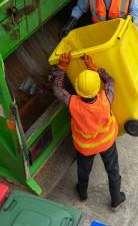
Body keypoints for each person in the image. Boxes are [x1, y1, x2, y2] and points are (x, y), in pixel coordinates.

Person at [52, 51, 126, 211]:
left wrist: (62, 67)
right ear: (97, 87)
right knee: (113, 170)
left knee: (84, 170)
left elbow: (57, 90)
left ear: (78, 89)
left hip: (85, 147)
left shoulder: (72, 103)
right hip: (107, 143)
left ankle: (82, 193)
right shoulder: (106, 97)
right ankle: (116, 200)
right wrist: (95, 68)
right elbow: (111, 80)